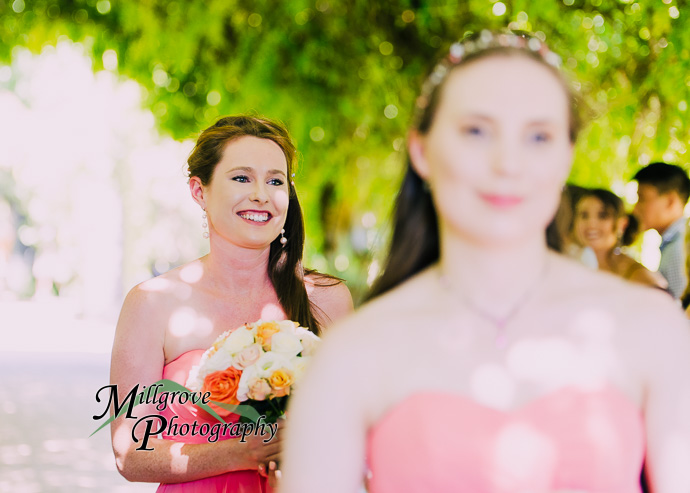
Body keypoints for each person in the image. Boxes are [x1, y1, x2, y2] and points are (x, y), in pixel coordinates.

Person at [281, 31, 690, 493]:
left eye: (538, 135)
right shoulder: (352, 353)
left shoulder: (649, 327)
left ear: (565, 157)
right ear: (421, 151)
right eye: (476, 131)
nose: (508, 163)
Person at [109, 115, 353, 492]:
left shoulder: (326, 299)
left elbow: (353, 424)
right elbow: (130, 452)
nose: (261, 194)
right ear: (198, 191)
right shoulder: (152, 304)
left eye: (275, 180)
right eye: (242, 178)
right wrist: (240, 452)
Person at [573, 188, 667, 290]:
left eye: (603, 216)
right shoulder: (576, 265)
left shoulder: (636, 274)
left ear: (622, 224)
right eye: (584, 215)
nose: (591, 224)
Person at [633, 162, 690, 300]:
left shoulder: (680, 250)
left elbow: (678, 314)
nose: (635, 208)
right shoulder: (676, 243)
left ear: (670, 201)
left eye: (642, 198)